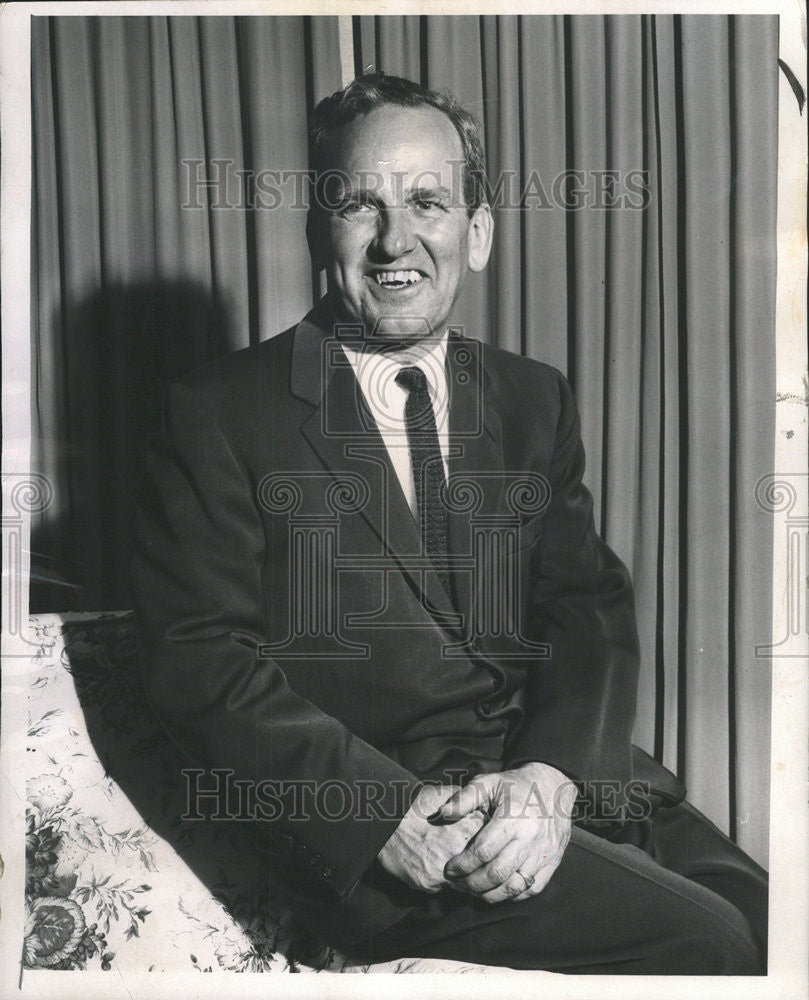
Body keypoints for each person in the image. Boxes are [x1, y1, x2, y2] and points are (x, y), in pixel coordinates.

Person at [131, 73, 768, 975]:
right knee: (711, 944)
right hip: (394, 836)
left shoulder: (528, 397)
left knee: (778, 922)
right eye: (360, 204)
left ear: (477, 234)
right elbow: (201, 657)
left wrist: (552, 776)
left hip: (555, 786)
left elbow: (585, 606)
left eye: (428, 202)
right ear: (318, 228)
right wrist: (379, 817)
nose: (396, 240)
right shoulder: (218, 411)